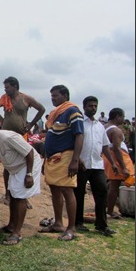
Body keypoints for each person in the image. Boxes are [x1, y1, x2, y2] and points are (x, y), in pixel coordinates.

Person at [0, 121, 42, 245]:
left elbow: (29, 153)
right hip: (14, 169)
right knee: (12, 195)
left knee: (20, 197)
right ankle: (11, 225)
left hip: (27, 165)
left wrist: (29, 174)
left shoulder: (7, 138)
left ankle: (17, 233)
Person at [0, 76, 46, 207]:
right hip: (6, 135)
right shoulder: (4, 99)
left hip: (21, 135)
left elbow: (41, 109)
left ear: (15, 86)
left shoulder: (26, 99)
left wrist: (31, 124)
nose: (5, 90)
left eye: (7, 87)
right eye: (5, 87)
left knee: (23, 164)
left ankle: (23, 196)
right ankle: (8, 194)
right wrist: (1, 119)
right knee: (7, 165)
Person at [41, 85, 84, 241]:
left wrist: (75, 160)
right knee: (55, 189)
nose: (52, 98)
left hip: (66, 156)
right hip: (52, 158)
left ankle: (71, 228)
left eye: (55, 96)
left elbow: (79, 136)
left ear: (65, 95)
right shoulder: (56, 114)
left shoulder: (73, 111)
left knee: (67, 190)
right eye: (51, 96)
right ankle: (58, 223)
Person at [74, 96, 118, 236]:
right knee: (79, 193)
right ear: (84, 107)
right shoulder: (80, 123)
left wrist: (112, 163)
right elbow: (73, 142)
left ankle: (101, 225)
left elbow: (105, 146)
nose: (93, 108)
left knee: (102, 192)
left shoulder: (100, 126)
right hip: (82, 164)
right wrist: (76, 160)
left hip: (97, 164)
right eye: (90, 106)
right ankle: (78, 222)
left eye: (95, 106)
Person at [103, 108, 135, 219]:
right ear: (118, 117)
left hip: (109, 158)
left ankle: (110, 207)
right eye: (122, 116)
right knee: (127, 180)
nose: (123, 119)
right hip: (118, 158)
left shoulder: (105, 127)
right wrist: (123, 167)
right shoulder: (115, 130)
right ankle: (112, 210)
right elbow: (117, 149)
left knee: (112, 184)